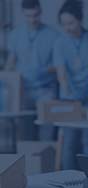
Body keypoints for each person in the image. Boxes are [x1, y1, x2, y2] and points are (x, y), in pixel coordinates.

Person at [54, 0, 88, 169]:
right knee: (69, 143)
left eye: (71, 23)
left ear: (80, 20)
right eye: (63, 24)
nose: (67, 28)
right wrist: (69, 96)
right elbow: (61, 73)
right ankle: (66, 181)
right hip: (70, 99)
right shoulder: (60, 43)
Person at [5, 0, 58, 140]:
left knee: (46, 132)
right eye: (29, 16)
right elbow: (11, 62)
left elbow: (59, 65)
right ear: (23, 13)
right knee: (23, 132)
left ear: (41, 12)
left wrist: (44, 71)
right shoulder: (15, 35)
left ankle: (46, 161)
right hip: (23, 90)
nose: (33, 19)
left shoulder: (53, 35)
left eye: (36, 15)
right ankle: (28, 161)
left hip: (46, 90)